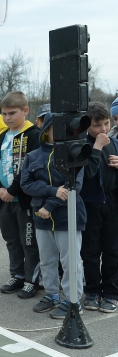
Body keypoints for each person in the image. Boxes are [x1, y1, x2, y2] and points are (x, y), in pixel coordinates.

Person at [21, 113, 86, 317]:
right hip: (41, 218)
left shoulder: (75, 153)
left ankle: (72, 299)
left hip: (68, 216)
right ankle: (52, 295)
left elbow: (74, 186)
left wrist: (49, 205)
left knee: (70, 261)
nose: (59, 133)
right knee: (47, 260)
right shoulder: (33, 156)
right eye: (54, 128)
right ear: (46, 129)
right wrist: (51, 192)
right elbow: (26, 184)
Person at [0, 90, 41, 298]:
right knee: (12, 240)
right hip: (3, 200)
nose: (7, 118)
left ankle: (32, 280)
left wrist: (12, 191)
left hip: (24, 201)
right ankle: (16, 274)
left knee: (29, 241)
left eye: (12, 113)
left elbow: (31, 168)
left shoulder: (34, 135)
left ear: (25, 111)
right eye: (4, 114)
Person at [78, 102, 118, 313]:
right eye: (96, 125)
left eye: (106, 123)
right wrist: (97, 147)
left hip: (112, 203)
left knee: (112, 250)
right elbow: (87, 175)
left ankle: (111, 293)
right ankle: (92, 290)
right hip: (91, 204)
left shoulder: (116, 143)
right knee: (91, 251)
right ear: (87, 126)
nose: (103, 130)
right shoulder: (83, 146)